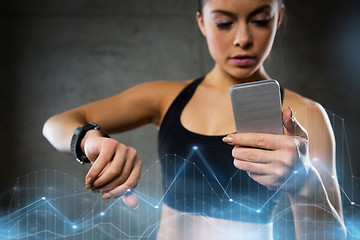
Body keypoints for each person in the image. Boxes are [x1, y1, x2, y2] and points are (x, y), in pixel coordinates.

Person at [42, 0, 346, 239]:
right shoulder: (164, 97)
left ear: (278, 17)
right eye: (224, 23)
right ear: (202, 21)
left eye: (260, 20)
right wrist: (89, 140)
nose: (242, 38)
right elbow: (56, 124)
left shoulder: (305, 115)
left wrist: (306, 185)